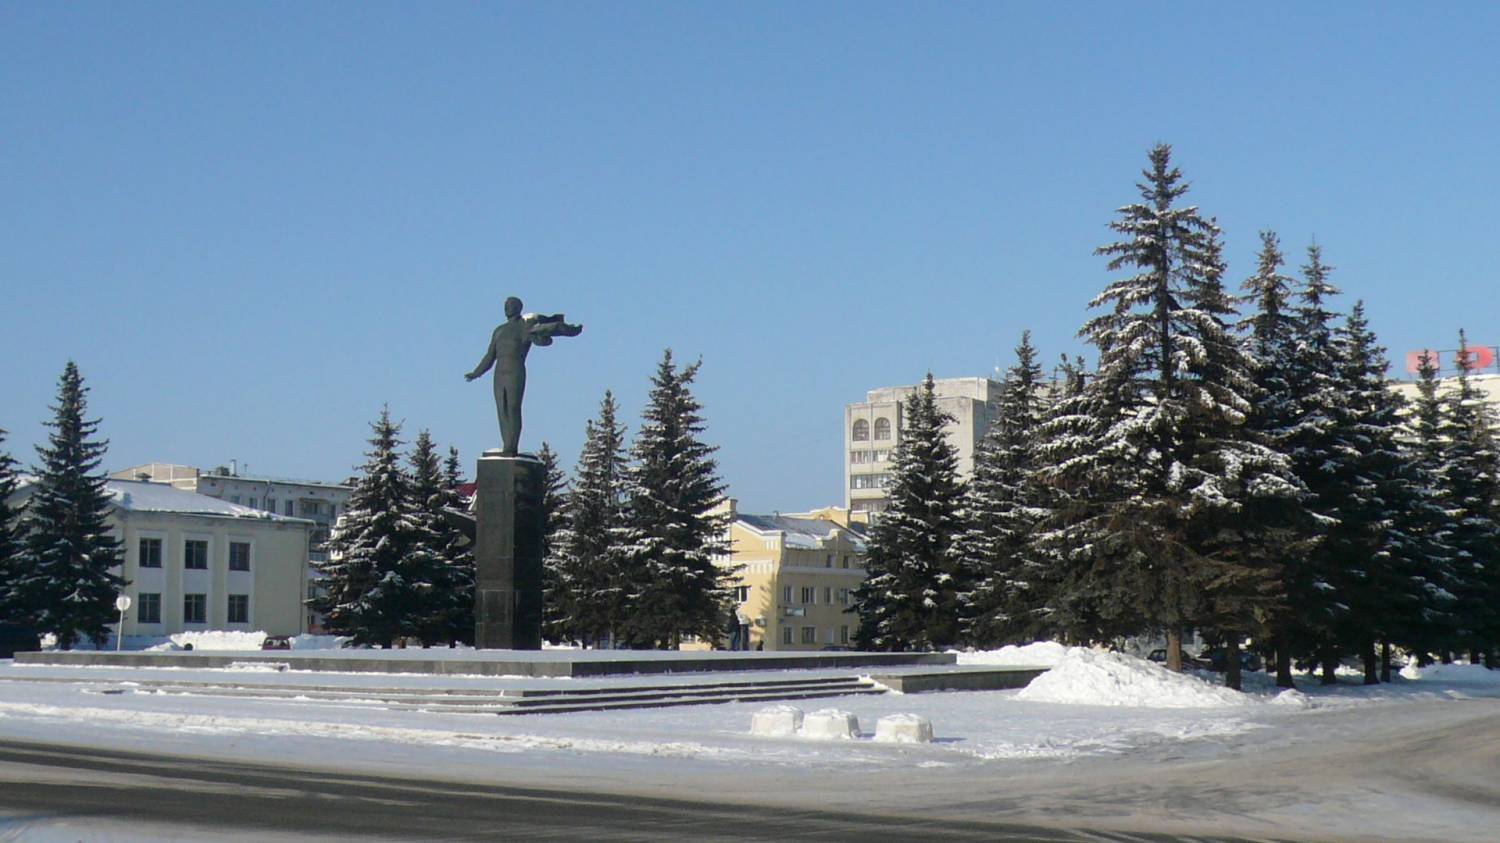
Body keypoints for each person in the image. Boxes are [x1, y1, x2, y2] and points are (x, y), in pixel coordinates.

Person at [465, 296, 582, 456]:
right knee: (502, 409)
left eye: (510, 305)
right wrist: (476, 373)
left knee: (513, 408)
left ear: (518, 308)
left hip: (515, 371)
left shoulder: (524, 326)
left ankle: (511, 447)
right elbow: (489, 356)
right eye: (505, 305)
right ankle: (506, 443)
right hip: (499, 374)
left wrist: (544, 335)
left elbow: (543, 340)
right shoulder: (499, 330)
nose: (506, 308)